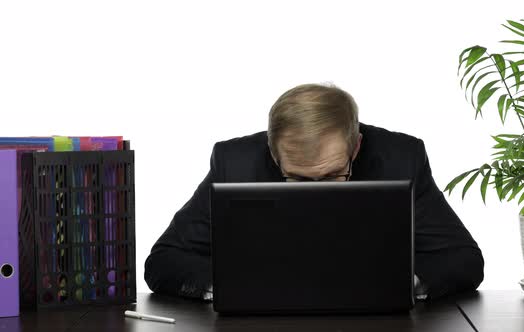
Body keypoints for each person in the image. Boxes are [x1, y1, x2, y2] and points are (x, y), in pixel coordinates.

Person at [144, 83, 484, 301]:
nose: (318, 194)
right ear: (273, 154)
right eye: (299, 179)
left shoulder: (401, 158)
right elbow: (163, 261)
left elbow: (465, 259)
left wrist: (405, 282)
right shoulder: (234, 164)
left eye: (334, 175)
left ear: (356, 147)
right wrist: (233, 286)